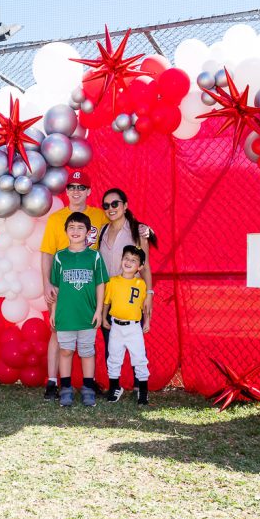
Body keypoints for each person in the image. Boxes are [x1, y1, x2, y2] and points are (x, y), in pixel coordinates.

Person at [40, 169, 107, 400]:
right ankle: (52, 382)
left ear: (88, 191)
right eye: (71, 187)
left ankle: (90, 383)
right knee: (57, 330)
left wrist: (142, 230)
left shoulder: (99, 216)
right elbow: (47, 253)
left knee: (90, 333)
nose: (76, 191)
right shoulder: (56, 218)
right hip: (63, 285)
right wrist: (47, 283)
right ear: (66, 191)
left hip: (89, 286)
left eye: (81, 187)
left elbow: (120, 226)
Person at [97, 187, 158, 400]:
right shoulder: (103, 231)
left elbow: (146, 265)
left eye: (115, 204)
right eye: (106, 205)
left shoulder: (137, 230)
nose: (111, 208)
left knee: (135, 345)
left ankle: (139, 387)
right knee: (111, 343)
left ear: (125, 205)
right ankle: (115, 386)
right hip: (109, 296)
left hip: (131, 298)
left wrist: (149, 292)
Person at [49, 212, 109, 407]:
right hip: (65, 315)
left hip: (87, 315)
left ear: (88, 232)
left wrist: (99, 311)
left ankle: (88, 388)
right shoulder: (60, 257)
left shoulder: (95, 256)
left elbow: (101, 284)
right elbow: (56, 288)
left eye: (80, 228)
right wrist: (53, 312)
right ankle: (65, 388)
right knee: (65, 351)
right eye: (72, 227)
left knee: (87, 352)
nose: (76, 231)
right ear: (66, 231)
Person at [102, 245, 151, 405]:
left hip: (133, 328)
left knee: (139, 358)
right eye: (126, 258)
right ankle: (115, 388)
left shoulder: (141, 284)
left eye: (134, 260)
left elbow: (145, 306)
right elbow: (106, 302)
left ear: (140, 266)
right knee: (114, 358)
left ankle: (143, 391)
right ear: (121, 260)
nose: (129, 262)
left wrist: (147, 321)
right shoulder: (113, 282)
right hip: (116, 326)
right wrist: (104, 318)